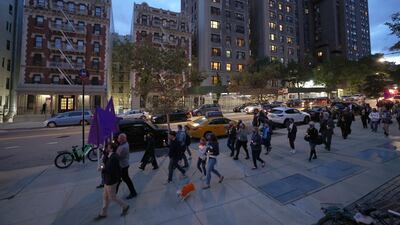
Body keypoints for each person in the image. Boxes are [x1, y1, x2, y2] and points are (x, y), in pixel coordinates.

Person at [95, 143, 129, 220]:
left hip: (111, 181)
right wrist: (102, 152)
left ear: (111, 149)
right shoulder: (109, 155)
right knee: (105, 197)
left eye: (108, 147)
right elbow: (105, 160)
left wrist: (101, 169)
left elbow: (109, 170)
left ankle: (125, 206)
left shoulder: (114, 158)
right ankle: (103, 213)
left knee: (112, 197)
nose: (106, 148)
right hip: (107, 180)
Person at [116, 133, 138, 199]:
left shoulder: (123, 147)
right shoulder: (124, 144)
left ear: (122, 139)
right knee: (124, 179)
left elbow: (118, 157)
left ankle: (133, 192)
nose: (117, 139)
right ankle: (114, 193)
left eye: (119, 138)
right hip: (124, 165)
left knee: (125, 180)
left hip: (123, 166)